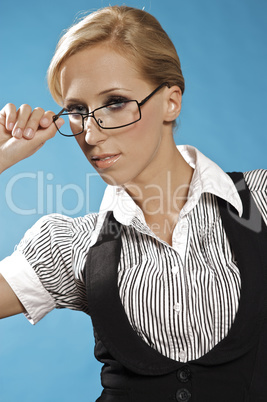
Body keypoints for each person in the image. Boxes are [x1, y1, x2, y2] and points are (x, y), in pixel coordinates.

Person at [0, 5, 266, 402]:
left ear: (171, 101)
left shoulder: (261, 201)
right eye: (76, 110)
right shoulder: (68, 244)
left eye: (115, 102)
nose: (90, 133)